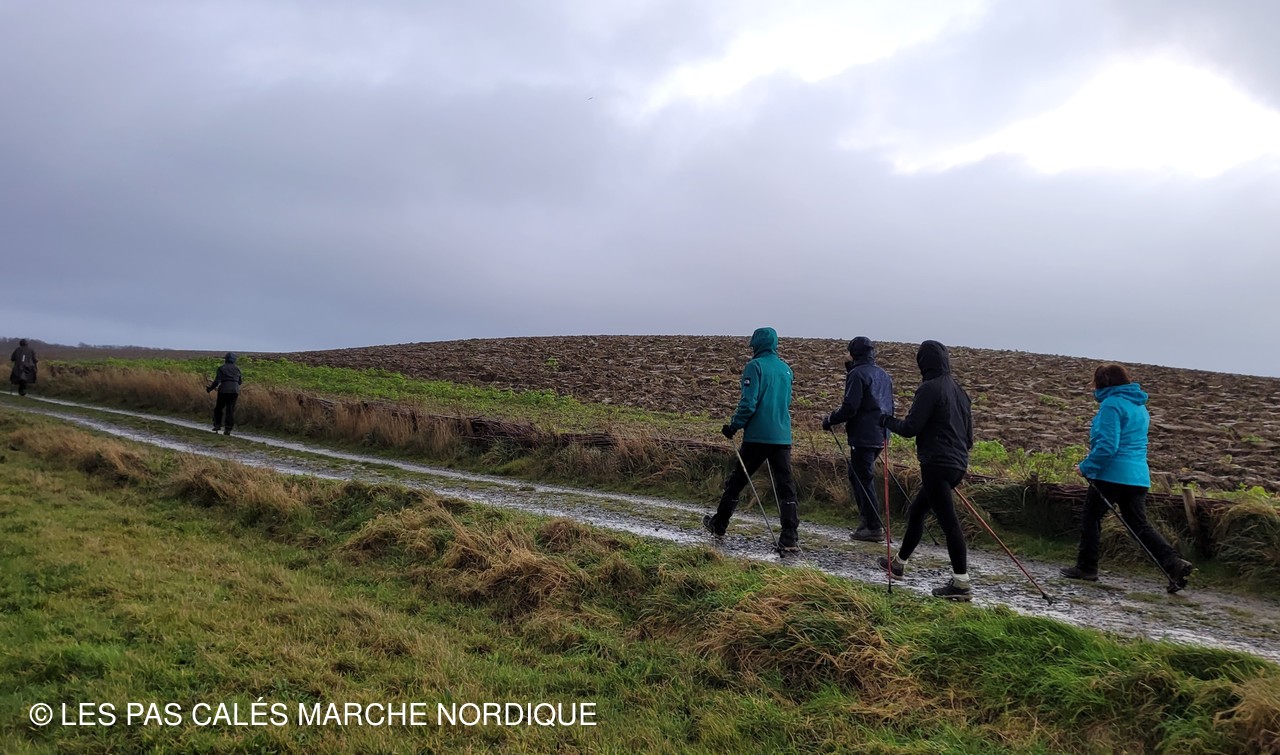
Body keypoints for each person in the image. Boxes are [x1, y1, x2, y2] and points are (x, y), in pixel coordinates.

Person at [1061, 364, 1193, 588]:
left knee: (1091, 518)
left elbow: (1108, 446)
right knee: (1139, 525)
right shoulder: (1139, 407)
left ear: (1102, 383)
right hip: (1138, 476)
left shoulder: (1111, 404)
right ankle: (1173, 563)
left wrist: (1086, 467)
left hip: (1111, 475)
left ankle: (1087, 567)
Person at [876, 340, 975, 600]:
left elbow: (911, 428)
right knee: (918, 510)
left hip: (936, 464)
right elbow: (969, 439)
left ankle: (961, 583)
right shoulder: (960, 392)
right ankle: (898, 564)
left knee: (949, 523)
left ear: (924, 362)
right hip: (957, 465)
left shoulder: (929, 389)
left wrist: (886, 421)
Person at [703, 327, 800, 552]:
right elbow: (786, 402)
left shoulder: (754, 367)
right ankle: (790, 537)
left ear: (757, 345)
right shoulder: (786, 370)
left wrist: (734, 426)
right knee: (786, 487)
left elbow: (748, 404)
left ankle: (719, 525)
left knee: (737, 481)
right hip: (782, 436)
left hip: (757, 436)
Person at [820, 336, 894, 542]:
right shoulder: (883, 374)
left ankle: (872, 526)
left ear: (854, 353)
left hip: (863, 435)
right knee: (858, 474)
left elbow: (850, 407)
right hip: (882, 434)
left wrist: (830, 420)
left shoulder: (857, 374)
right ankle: (868, 523)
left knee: (862, 478)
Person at [207, 352, 243, 435]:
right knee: (230, 410)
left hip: (224, 390)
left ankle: (217, 425)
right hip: (234, 390)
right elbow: (240, 382)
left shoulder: (222, 368)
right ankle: (228, 429)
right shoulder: (238, 369)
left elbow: (217, 381)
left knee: (219, 408)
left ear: (226, 359)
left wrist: (210, 388)